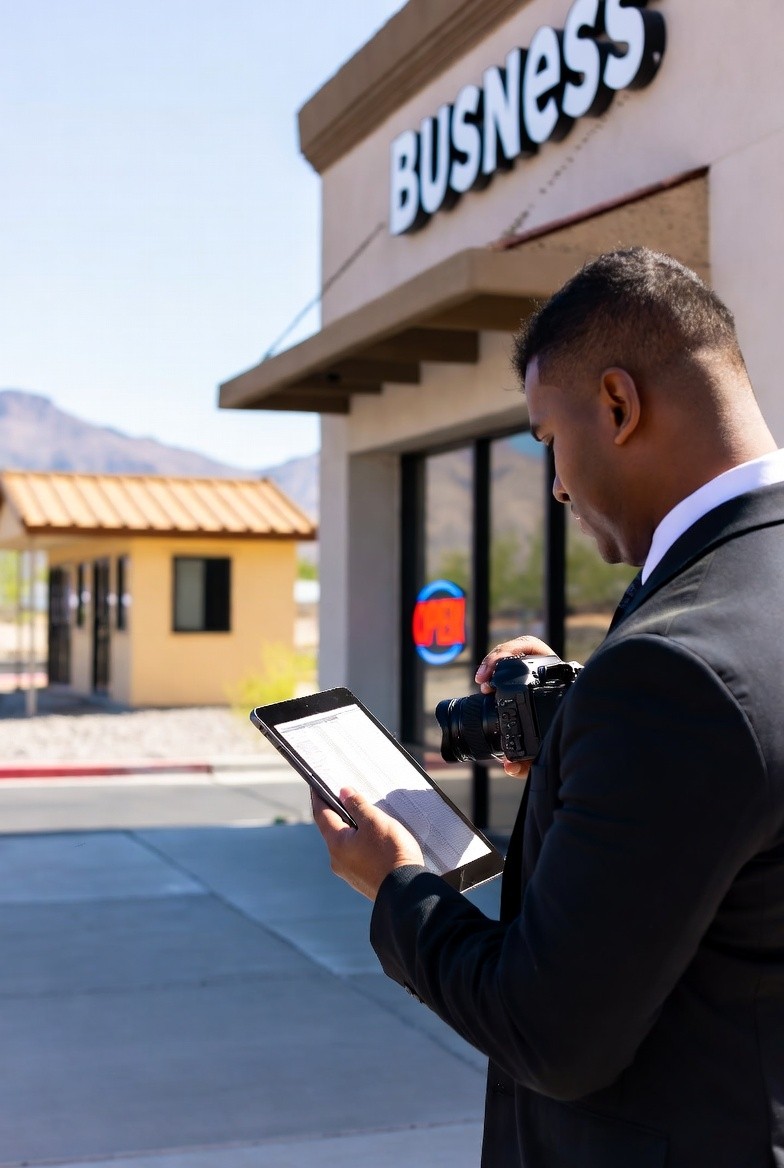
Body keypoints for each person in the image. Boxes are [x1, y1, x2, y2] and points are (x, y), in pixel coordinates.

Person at [312, 247, 784, 1167]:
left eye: (546, 440)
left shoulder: (672, 672)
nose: (558, 485)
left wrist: (396, 884)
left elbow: (549, 1032)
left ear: (618, 405)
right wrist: (588, 726)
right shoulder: (720, 611)